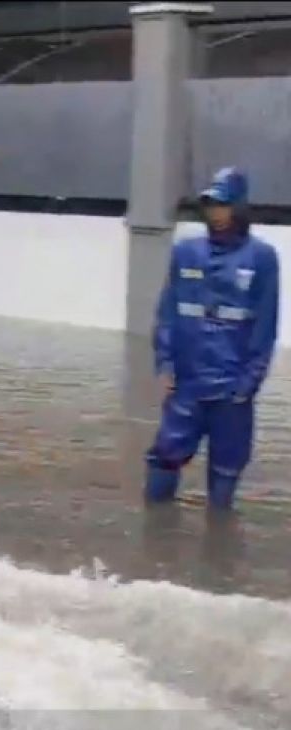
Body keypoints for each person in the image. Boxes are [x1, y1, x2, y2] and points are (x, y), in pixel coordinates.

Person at [145, 166, 280, 510]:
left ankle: (219, 546)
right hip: (186, 387)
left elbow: (265, 329)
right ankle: (156, 544)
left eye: (224, 205)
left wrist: (248, 383)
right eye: (211, 205)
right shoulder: (186, 252)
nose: (216, 214)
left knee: (224, 478)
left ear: (239, 207)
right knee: (162, 462)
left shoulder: (262, 259)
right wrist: (165, 364)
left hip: (231, 392)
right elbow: (168, 314)